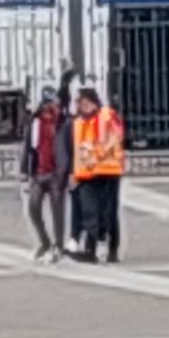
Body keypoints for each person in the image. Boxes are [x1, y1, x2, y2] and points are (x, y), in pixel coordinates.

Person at [70, 86, 127, 263]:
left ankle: (112, 249)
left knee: (108, 212)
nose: (82, 106)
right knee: (90, 211)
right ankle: (91, 248)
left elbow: (113, 139)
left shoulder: (107, 116)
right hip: (88, 172)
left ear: (94, 102)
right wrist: (76, 172)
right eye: (80, 103)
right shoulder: (79, 122)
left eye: (85, 102)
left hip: (108, 170)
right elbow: (78, 149)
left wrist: (95, 157)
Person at [21, 84, 72, 263]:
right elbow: (28, 147)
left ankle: (58, 246)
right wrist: (24, 171)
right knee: (33, 208)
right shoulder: (35, 122)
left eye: (52, 103)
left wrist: (70, 171)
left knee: (58, 211)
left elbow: (70, 147)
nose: (49, 107)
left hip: (57, 172)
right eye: (46, 103)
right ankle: (44, 242)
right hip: (39, 172)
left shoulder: (63, 122)